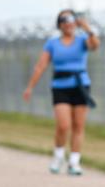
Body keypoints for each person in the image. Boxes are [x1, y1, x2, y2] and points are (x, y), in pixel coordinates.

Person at [23, 10, 100, 176]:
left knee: (78, 125)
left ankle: (74, 162)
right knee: (64, 125)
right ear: (59, 24)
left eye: (72, 19)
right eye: (64, 19)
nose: (68, 22)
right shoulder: (52, 43)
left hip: (81, 86)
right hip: (60, 87)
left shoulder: (82, 40)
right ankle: (58, 156)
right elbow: (41, 66)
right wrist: (30, 87)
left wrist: (87, 28)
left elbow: (95, 45)